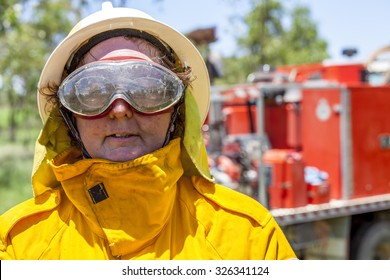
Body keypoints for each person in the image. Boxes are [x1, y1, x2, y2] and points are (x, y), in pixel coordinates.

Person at [0, 2, 297, 260]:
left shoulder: (248, 238)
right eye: (92, 91)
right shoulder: (18, 246)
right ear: (68, 116)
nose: (120, 109)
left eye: (147, 89)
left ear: (177, 111)